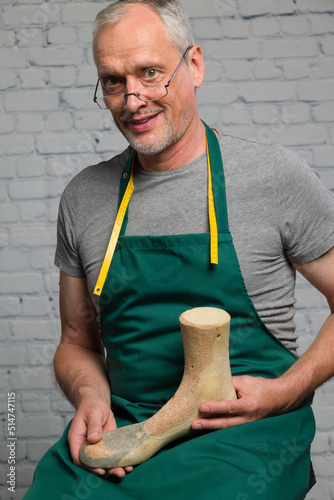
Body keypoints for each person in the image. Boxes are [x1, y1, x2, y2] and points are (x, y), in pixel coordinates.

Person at [24, 1, 334, 499]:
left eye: (150, 73)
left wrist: (286, 392)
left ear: (194, 65)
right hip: (129, 425)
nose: (133, 99)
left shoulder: (274, 177)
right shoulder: (84, 196)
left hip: (243, 432)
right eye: (112, 81)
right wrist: (90, 397)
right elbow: (78, 340)